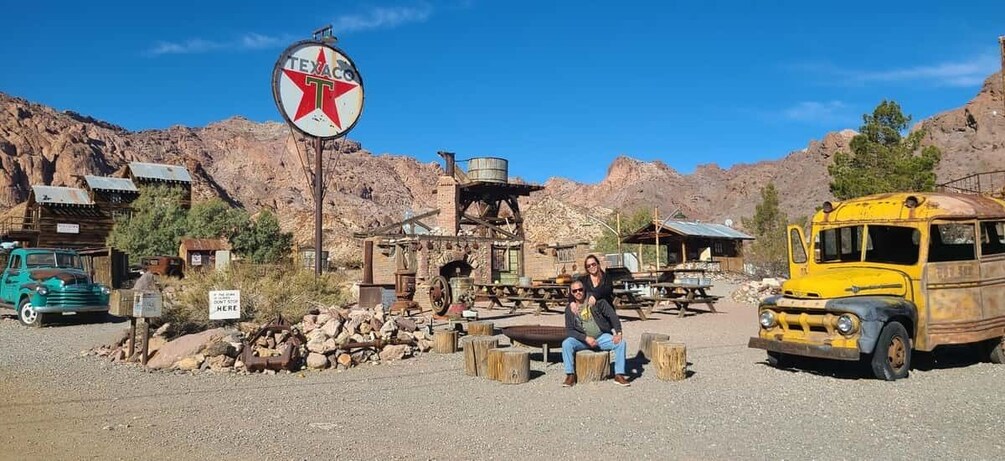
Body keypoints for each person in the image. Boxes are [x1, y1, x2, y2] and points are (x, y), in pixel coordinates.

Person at [561, 279, 630, 387]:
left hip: (601, 337)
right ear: (571, 293)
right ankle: (570, 375)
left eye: (580, 289)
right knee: (566, 343)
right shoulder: (570, 309)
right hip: (582, 341)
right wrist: (585, 338)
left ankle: (619, 374)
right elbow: (570, 330)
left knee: (621, 343)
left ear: (584, 290)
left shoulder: (596, 301)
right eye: (575, 291)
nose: (578, 292)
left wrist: (618, 332)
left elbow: (612, 315)